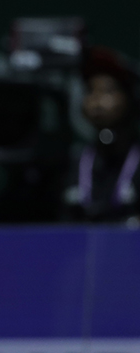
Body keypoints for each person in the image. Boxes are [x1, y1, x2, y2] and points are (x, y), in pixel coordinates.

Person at [61, 46, 140, 223]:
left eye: (108, 91)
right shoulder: (74, 161)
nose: (96, 102)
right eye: (90, 91)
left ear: (131, 98)